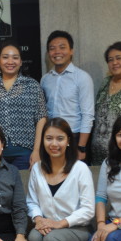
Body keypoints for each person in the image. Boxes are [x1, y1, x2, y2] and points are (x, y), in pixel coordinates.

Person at [27, 118, 94, 241]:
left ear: (68, 141)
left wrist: (60, 223)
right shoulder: (37, 169)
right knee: (34, 237)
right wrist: (38, 219)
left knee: (52, 238)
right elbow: (31, 201)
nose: (53, 144)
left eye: (59, 138)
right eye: (48, 138)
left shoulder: (80, 169)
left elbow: (88, 209)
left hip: (76, 229)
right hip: (47, 226)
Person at [0, 40, 47, 170]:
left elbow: (41, 118)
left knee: (23, 189)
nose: (10, 61)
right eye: (5, 57)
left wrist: (37, 150)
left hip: (26, 154)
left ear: (21, 62)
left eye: (15, 57)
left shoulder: (32, 85)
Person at [40, 31, 94, 161]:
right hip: (51, 138)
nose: (57, 51)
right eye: (52, 48)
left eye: (62, 47)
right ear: (48, 54)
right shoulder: (45, 79)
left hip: (74, 137)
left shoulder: (82, 78)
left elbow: (88, 114)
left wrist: (81, 147)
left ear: (71, 51)